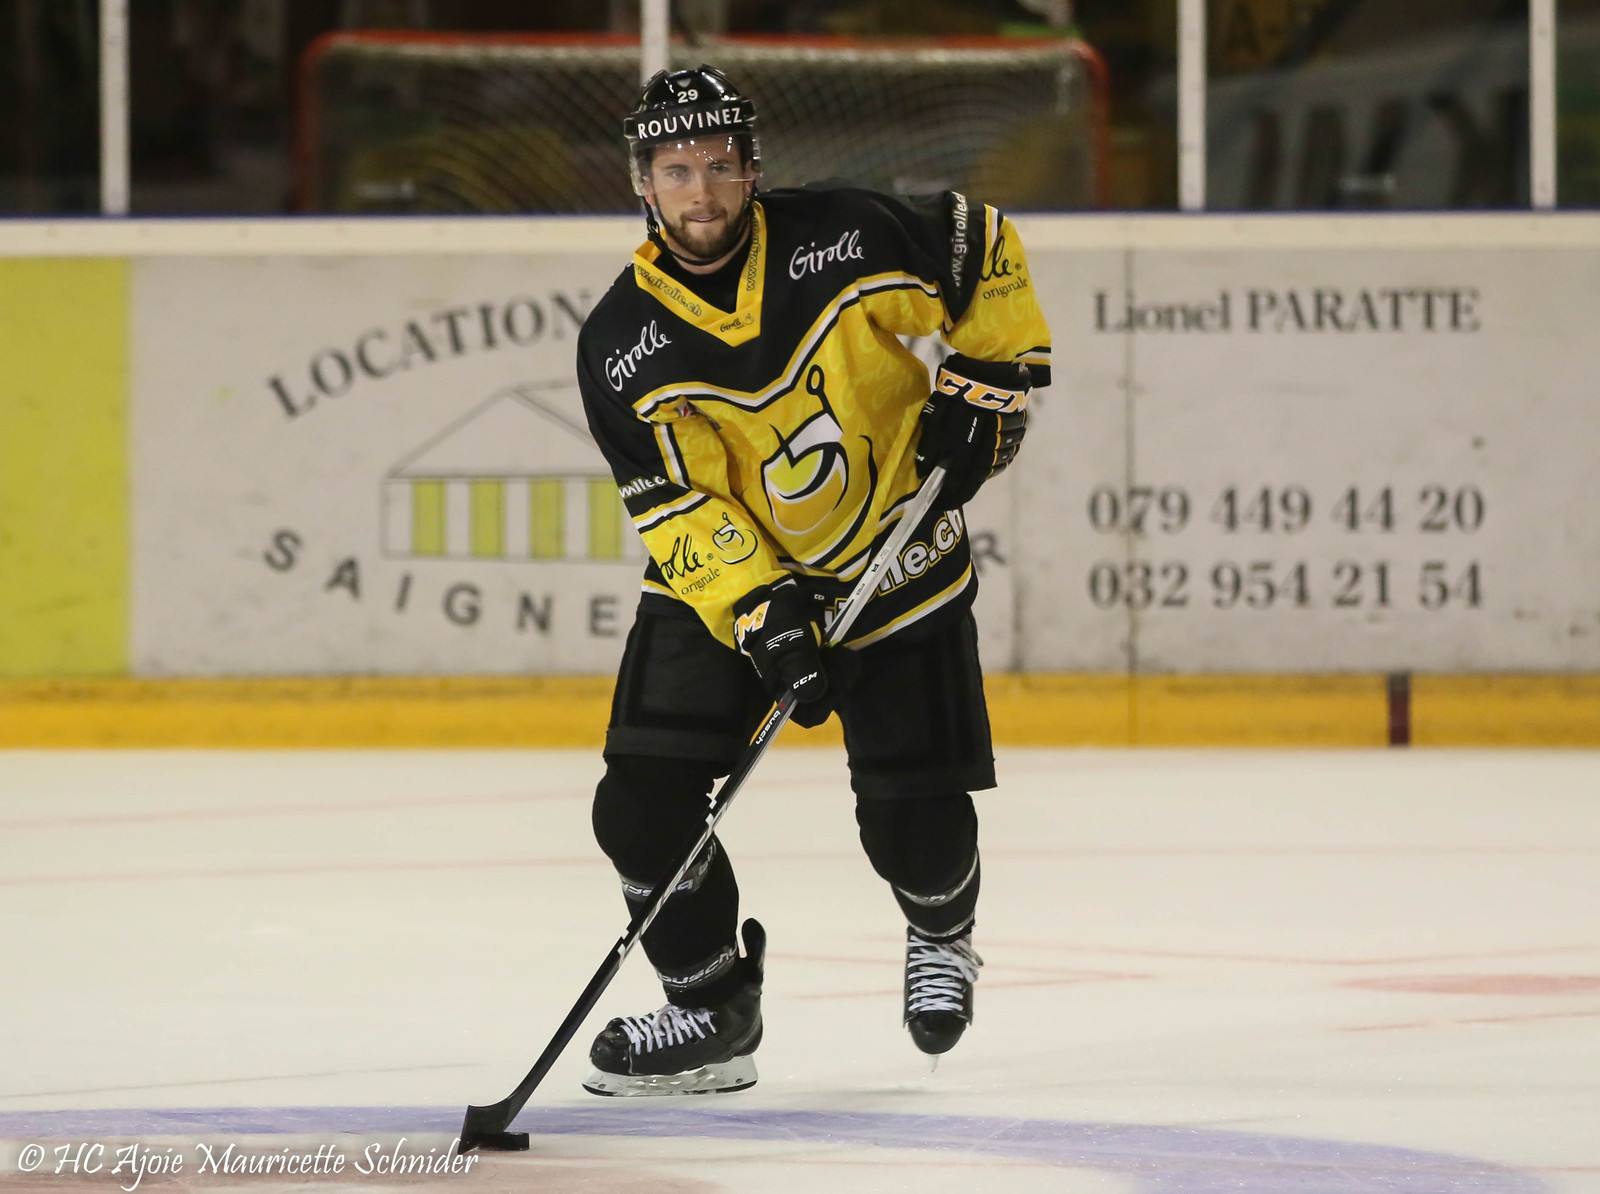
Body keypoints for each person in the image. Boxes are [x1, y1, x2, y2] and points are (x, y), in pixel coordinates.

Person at [574, 65, 1051, 1097]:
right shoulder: (620, 342)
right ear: (643, 185)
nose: (701, 192)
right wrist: (763, 613)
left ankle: (942, 933)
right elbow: (674, 506)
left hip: (894, 556)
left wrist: (990, 385)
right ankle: (710, 1009)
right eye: (675, 172)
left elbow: (979, 248)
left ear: (752, 167)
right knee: (639, 804)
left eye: (718, 166)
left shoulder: (846, 235)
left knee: (914, 825)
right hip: (731, 585)